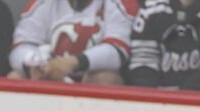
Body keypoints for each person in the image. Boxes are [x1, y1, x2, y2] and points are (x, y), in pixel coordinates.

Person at [8, 0, 136, 84]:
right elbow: (20, 46)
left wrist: (73, 63)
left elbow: (118, 50)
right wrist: (37, 64)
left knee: (105, 78)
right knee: (15, 78)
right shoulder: (42, 3)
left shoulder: (119, 2)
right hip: (51, 73)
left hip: (91, 76)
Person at [127, 0, 200, 91]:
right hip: (159, 100)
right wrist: (154, 96)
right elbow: (142, 60)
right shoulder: (151, 7)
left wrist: (179, 97)